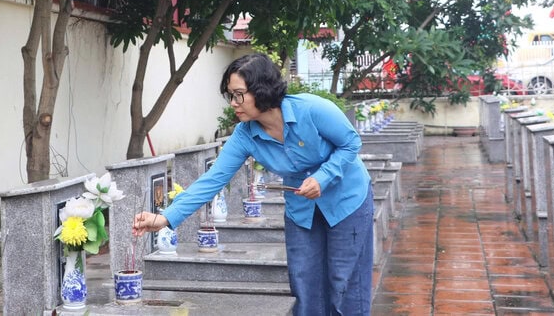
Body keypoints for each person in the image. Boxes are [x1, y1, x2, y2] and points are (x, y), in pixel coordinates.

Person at [132, 53, 373, 316]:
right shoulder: (245, 136)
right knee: (305, 288)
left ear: (262, 90)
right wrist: (165, 218)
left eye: (239, 95)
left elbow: (351, 143)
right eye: (230, 96)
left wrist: (323, 177)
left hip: (347, 201)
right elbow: (213, 179)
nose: (233, 104)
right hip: (302, 210)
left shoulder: (312, 109)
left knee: (344, 284)